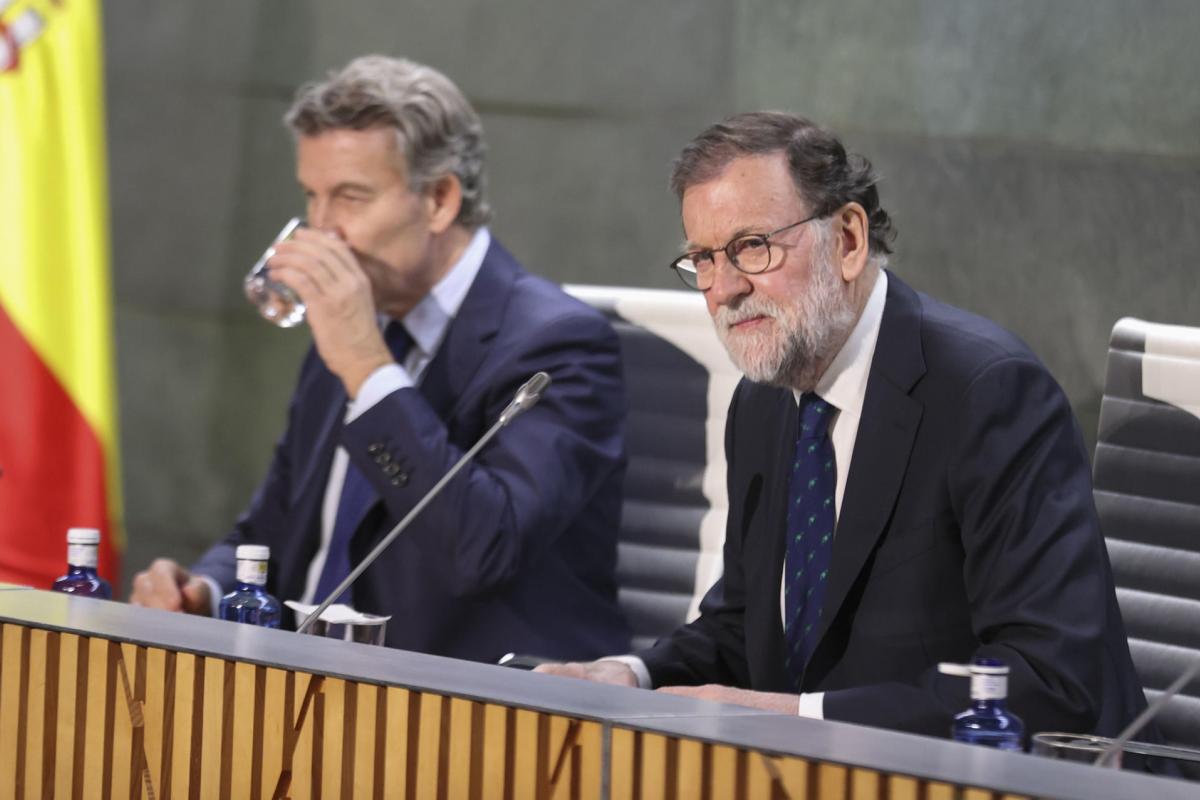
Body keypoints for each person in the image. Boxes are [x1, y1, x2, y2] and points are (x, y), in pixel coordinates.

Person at [539, 111, 1149, 740]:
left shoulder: (987, 393)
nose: (723, 288)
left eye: (751, 246)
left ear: (849, 240)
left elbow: (1048, 681)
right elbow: (746, 624)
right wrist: (632, 676)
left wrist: (801, 718)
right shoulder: (764, 402)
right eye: (703, 258)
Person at [131, 55, 631, 663]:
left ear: (440, 200)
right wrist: (203, 590)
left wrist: (369, 369)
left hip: (462, 711)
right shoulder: (353, 323)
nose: (321, 233)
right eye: (312, 198)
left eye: (350, 198)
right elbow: (276, 524)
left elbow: (483, 551)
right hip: (302, 688)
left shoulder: (559, 343)